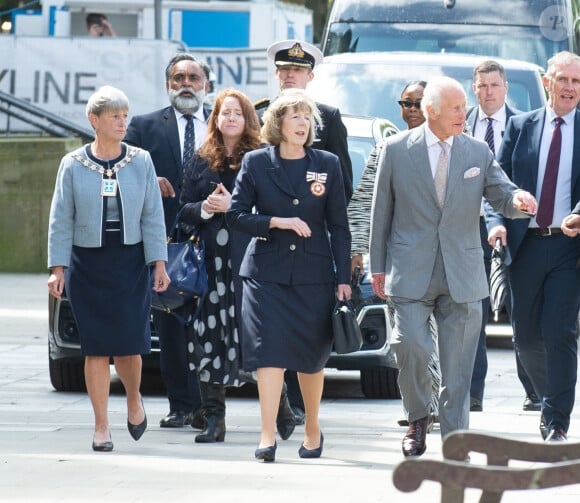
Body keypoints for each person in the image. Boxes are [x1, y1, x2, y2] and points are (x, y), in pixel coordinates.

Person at [369, 76, 537, 457]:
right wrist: (376, 266)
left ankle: (455, 434)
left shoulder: (476, 152)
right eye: (457, 107)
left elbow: (501, 191)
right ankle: (416, 417)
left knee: (458, 362)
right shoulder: (395, 150)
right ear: (432, 112)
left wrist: (519, 201)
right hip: (410, 269)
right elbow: (381, 213)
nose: (466, 113)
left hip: (462, 269)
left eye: (465, 106)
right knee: (408, 342)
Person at [227, 89, 352, 462]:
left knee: (312, 357)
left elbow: (339, 225)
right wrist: (275, 222)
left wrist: (343, 277)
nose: (303, 123)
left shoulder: (327, 162)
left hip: (314, 275)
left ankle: (312, 429)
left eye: (307, 117)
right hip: (266, 273)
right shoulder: (255, 162)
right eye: (295, 116)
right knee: (269, 354)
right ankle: (267, 435)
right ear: (277, 123)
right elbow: (235, 215)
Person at [47, 85, 169, 452]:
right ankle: (101, 425)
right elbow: (60, 218)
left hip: (130, 262)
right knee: (96, 348)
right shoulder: (72, 163)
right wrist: (58, 268)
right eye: (114, 116)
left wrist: (158, 263)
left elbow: (152, 215)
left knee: (131, 345)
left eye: (124, 115)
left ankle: (134, 399)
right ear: (94, 120)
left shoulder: (141, 160)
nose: (121, 122)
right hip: (89, 264)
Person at [256, 38, 354, 426]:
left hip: (310, 243)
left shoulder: (327, 118)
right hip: (265, 240)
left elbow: (340, 187)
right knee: (268, 332)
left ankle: (298, 405)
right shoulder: (258, 113)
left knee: (305, 331)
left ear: (310, 76)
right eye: (284, 69)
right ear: (276, 74)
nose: (290, 75)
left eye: (297, 70)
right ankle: (274, 404)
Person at [487, 51, 580, 442]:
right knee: (524, 337)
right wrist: (496, 225)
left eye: (577, 82)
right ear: (547, 81)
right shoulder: (520, 126)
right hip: (524, 246)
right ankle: (549, 395)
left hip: (568, 248)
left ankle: (556, 418)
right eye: (564, 80)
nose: (571, 89)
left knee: (560, 331)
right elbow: (496, 185)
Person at [125, 53, 210, 430]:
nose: (186, 83)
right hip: (166, 244)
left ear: (205, 84)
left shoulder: (222, 123)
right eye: (179, 78)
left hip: (213, 240)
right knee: (172, 325)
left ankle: (209, 405)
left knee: (209, 326)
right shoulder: (143, 127)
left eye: (193, 77)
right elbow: (119, 163)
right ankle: (180, 405)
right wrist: (148, 179)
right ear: (168, 85)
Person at [349, 81, 441, 429]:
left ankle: (433, 406)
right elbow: (365, 203)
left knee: (433, 339)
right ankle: (420, 408)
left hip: (442, 261)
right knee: (409, 340)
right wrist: (357, 249)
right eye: (406, 103)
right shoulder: (386, 148)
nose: (412, 109)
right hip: (400, 263)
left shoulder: (449, 146)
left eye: (418, 103)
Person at [179, 88, 262, 443]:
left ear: (247, 121)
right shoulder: (200, 159)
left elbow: (272, 214)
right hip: (210, 270)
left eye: (237, 113)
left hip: (249, 268)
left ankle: (284, 409)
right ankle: (214, 418)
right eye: (224, 113)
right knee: (208, 341)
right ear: (215, 119)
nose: (230, 118)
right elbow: (182, 212)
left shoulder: (260, 159)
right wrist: (205, 209)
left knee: (256, 343)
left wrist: (236, 209)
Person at [466, 60, 540, 413]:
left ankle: (534, 389)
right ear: (474, 88)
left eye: (495, 85)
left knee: (521, 311)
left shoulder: (525, 126)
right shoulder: (459, 123)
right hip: (467, 229)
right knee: (472, 314)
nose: (489, 92)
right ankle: (473, 393)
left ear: (505, 87)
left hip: (513, 230)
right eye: (482, 86)